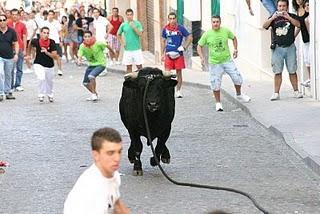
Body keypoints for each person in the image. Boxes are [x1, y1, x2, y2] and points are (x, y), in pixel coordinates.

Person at [63, 127, 129, 214]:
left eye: (119, 152)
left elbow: (117, 204)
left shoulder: (113, 174)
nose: (117, 158)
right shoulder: (93, 190)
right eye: (110, 153)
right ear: (96, 155)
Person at [197, 15, 251, 112]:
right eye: (213, 22)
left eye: (217, 21)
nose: (215, 23)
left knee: (237, 77)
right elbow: (199, 46)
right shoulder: (207, 34)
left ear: (220, 22)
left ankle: (239, 95)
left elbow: (234, 38)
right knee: (215, 83)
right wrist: (201, 57)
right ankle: (218, 103)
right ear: (211, 23)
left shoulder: (225, 31)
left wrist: (235, 49)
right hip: (214, 63)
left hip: (227, 60)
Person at [262, 0, 303, 101]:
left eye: (283, 6)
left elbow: (299, 25)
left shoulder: (292, 16)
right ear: (277, 7)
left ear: (287, 7)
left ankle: (296, 91)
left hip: (290, 48)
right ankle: (276, 93)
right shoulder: (273, 17)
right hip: (277, 48)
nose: (281, 8)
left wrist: (288, 17)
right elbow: (264, 26)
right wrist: (272, 18)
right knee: (277, 72)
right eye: (280, 6)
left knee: (292, 71)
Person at [161, 12, 192, 98]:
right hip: (168, 54)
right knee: (167, 73)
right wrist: (162, 54)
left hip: (178, 54)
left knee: (179, 73)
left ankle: (178, 91)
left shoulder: (180, 28)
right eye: (170, 19)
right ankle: (167, 91)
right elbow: (163, 41)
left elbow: (189, 37)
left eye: (173, 18)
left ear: (176, 19)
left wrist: (184, 47)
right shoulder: (165, 29)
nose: (172, 20)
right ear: (168, 19)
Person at [77, 30, 114, 101]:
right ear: (83, 38)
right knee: (85, 83)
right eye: (85, 37)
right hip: (91, 65)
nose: (87, 38)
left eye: (88, 36)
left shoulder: (98, 43)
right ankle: (95, 94)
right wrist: (79, 60)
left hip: (101, 64)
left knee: (91, 76)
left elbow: (107, 46)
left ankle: (93, 94)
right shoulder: (82, 46)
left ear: (91, 37)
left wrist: (113, 53)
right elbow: (80, 55)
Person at [27, 26, 57, 102]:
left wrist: (47, 52)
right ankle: (41, 94)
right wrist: (28, 54)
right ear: (40, 33)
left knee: (49, 81)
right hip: (38, 63)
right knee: (41, 78)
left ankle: (50, 94)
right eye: (44, 33)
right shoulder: (36, 41)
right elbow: (30, 44)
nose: (46, 34)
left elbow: (55, 56)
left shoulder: (52, 42)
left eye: (47, 33)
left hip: (49, 65)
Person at [117, 9, 143, 73]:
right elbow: (118, 34)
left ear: (133, 15)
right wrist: (122, 43)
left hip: (136, 48)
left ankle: (141, 80)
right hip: (127, 49)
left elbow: (140, 34)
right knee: (128, 66)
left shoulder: (137, 23)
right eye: (128, 15)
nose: (129, 16)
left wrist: (134, 27)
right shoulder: (123, 25)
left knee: (139, 66)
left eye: (131, 15)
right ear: (126, 16)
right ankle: (129, 81)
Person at [7, 8, 27, 92]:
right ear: (11, 15)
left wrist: (25, 49)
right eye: (13, 14)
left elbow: (25, 37)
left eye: (16, 14)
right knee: (10, 68)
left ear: (19, 15)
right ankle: (10, 85)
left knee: (19, 67)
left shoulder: (22, 25)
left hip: (20, 48)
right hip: (10, 48)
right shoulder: (7, 23)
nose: (14, 16)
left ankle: (18, 84)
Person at [0, 14, 19, 101]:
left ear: (6, 21)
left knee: (8, 75)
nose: (2, 22)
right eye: (0, 20)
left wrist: (16, 54)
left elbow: (16, 43)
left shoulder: (12, 31)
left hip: (9, 56)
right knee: (0, 73)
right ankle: (0, 93)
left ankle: (8, 92)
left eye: (4, 20)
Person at [293, 0, 310, 87]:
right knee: (306, 59)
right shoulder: (298, 10)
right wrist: (293, 37)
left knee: (310, 59)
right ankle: (310, 78)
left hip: (310, 38)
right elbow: (299, 26)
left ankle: (311, 79)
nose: (299, 0)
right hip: (304, 38)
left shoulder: (307, 8)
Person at [44, 10, 63, 76]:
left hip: (56, 41)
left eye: (52, 14)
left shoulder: (57, 23)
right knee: (48, 56)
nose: (50, 16)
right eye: (49, 14)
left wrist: (61, 40)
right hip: (48, 41)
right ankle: (49, 70)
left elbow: (60, 32)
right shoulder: (45, 23)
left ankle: (60, 69)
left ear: (54, 15)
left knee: (57, 56)